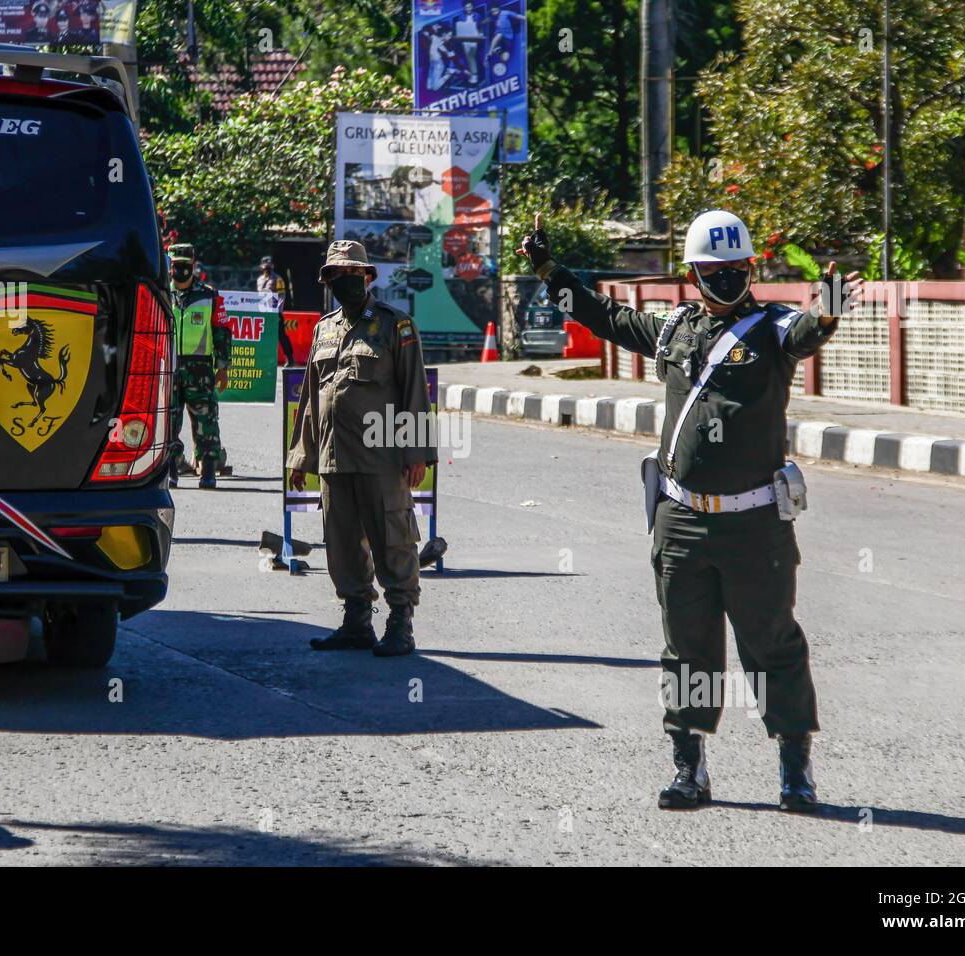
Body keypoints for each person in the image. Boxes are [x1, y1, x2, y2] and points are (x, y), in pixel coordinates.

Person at [517, 209, 864, 813]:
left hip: (755, 522)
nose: (726, 279)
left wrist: (829, 307)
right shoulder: (675, 328)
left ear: (749, 268)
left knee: (771, 642)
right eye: (714, 270)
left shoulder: (773, 328)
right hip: (681, 520)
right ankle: (689, 769)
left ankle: (795, 770)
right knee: (686, 646)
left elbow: (809, 331)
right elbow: (603, 316)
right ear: (692, 273)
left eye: (737, 269)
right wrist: (549, 268)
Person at [287, 241, 435, 658]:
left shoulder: (395, 325)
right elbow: (313, 398)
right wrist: (303, 456)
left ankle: (400, 623)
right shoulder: (324, 328)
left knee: (393, 538)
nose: (345, 279)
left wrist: (416, 453)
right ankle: (356, 621)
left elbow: (414, 390)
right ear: (328, 280)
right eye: (336, 274)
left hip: (381, 456)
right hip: (335, 457)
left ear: (368, 277)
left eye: (353, 272)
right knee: (342, 540)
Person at [167, 243, 230, 490]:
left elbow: (222, 332)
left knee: (206, 421)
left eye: (185, 265)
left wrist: (223, 367)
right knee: (168, 420)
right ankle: (171, 468)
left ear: (193, 265)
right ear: (170, 266)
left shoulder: (209, 296)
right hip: (168, 367)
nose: (180, 270)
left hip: (200, 368)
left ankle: (208, 471)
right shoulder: (162, 293)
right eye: (176, 265)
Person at [256, 255, 295, 366]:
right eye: (264, 265)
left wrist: (278, 311)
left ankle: (290, 358)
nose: (266, 267)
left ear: (272, 266)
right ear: (261, 266)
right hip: (263, 313)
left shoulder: (278, 279)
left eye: (269, 265)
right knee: (263, 337)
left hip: (275, 313)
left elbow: (282, 296)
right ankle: (264, 359)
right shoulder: (259, 280)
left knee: (281, 336)